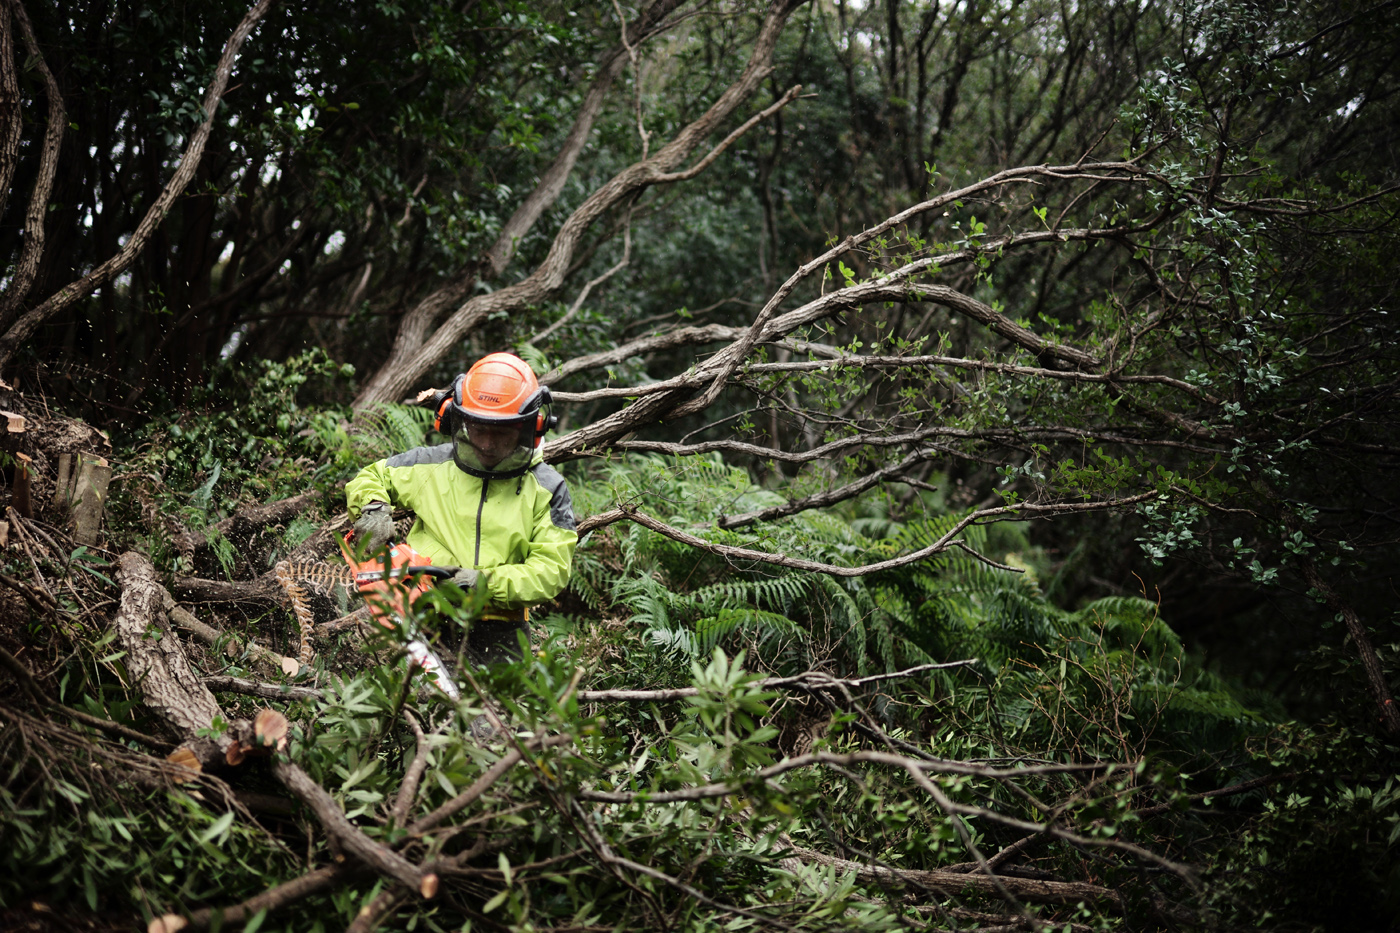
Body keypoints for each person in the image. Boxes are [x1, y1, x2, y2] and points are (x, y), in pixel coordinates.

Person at [345, 352, 577, 675]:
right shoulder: (433, 465)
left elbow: (552, 570)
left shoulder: (548, 490)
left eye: (501, 432)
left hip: (501, 635)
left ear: (529, 427)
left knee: (494, 722)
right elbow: (371, 476)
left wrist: (485, 583)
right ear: (460, 419)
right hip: (423, 616)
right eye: (480, 428)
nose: (487, 443)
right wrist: (372, 509)